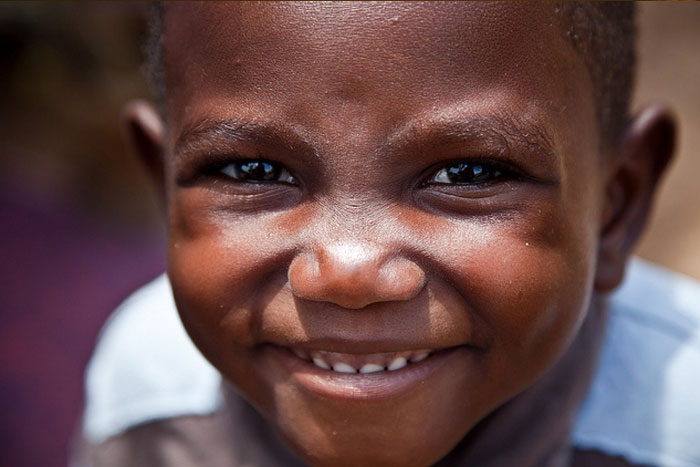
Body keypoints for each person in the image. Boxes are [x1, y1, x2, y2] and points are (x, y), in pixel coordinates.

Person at [76, 2, 700, 466]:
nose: (347, 272)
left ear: (617, 205)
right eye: (254, 170)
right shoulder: (152, 394)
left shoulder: (678, 423)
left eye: (468, 173)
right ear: (164, 191)